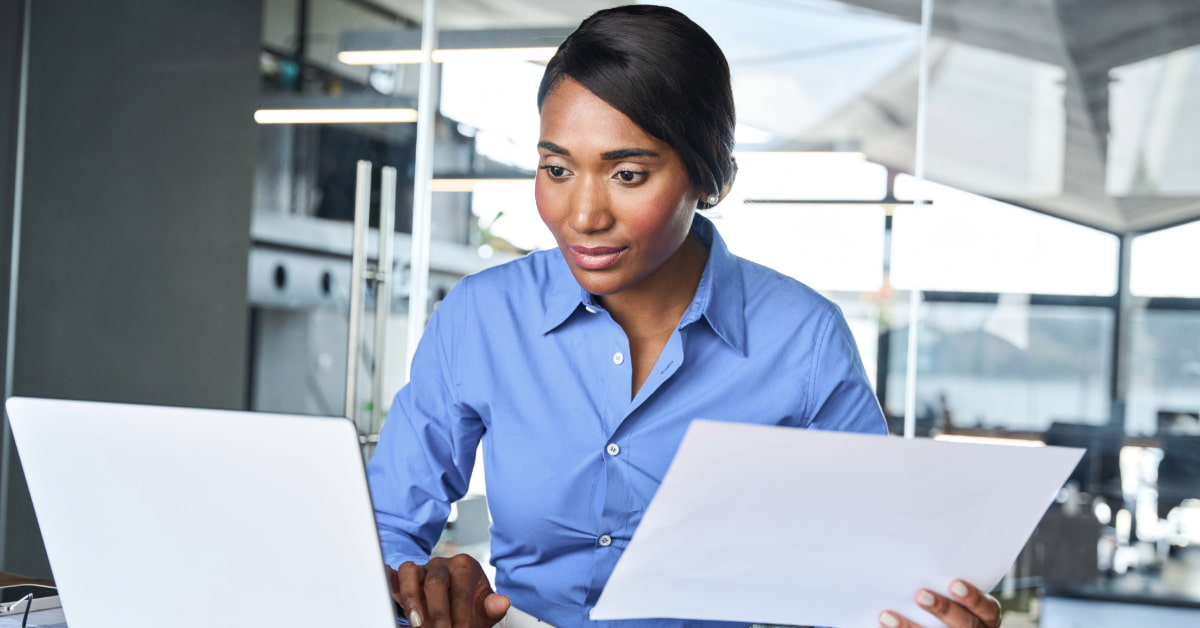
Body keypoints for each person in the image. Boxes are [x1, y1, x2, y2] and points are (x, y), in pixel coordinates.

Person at [366, 5, 1002, 628]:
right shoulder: (483, 316)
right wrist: (427, 591)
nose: (583, 214)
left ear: (708, 177)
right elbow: (386, 524)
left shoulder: (802, 341)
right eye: (556, 169)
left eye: (629, 174)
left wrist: (931, 612)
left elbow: (869, 568)